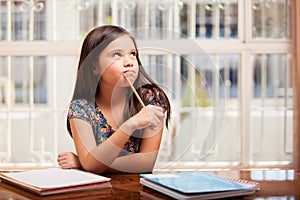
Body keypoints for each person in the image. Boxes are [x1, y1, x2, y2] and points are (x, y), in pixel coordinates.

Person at [57, 25, 171, 174]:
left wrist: (85, 162)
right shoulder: (80, 108)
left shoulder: (150, 99)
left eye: (132, 54)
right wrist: (131, 124)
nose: (129, 61)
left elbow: (146, 163)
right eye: (117, 54)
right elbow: (91, 166)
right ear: (94, 66)